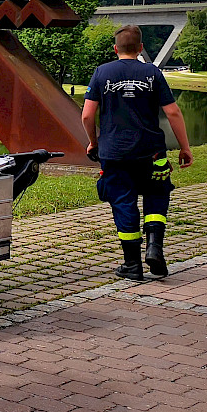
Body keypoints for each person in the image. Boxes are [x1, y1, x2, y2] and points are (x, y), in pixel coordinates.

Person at [81, 24, 193, 281]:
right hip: (153, 152)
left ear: (115, 48)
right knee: (156, 197)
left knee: (123, 202)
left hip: (115, 153)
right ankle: (155, 249)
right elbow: (173, 112)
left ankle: (132, 265)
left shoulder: (102, 72)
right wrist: (184, 147)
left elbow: (87, 115)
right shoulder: (153, 73)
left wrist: (93, 142)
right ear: (141, 48)